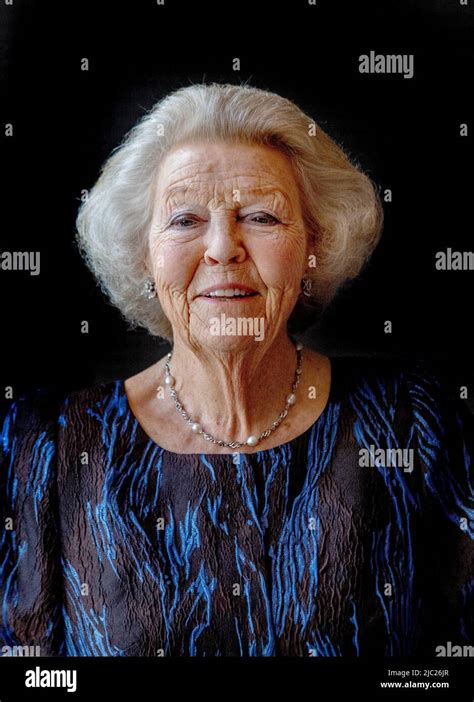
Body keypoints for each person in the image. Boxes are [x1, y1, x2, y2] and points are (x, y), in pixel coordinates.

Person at [0, 83, 472, 657]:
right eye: (184, 220)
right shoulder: (48, 446)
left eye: (260, 216)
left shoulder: (414, 422)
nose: (224, 247)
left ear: (313, 245)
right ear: (142, 254)